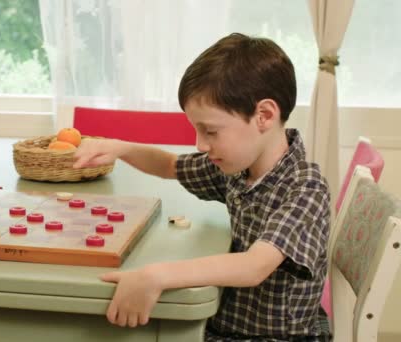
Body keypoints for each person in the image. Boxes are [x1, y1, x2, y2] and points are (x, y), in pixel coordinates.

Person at [73, 33, 331, 341]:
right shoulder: (238, 168)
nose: (200, 144)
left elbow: (253, 266)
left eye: (210, 131)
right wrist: (121, 148)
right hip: (223, 324)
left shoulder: (307, 189)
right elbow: (170, 166)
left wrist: (158, 275)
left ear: (263, 115)